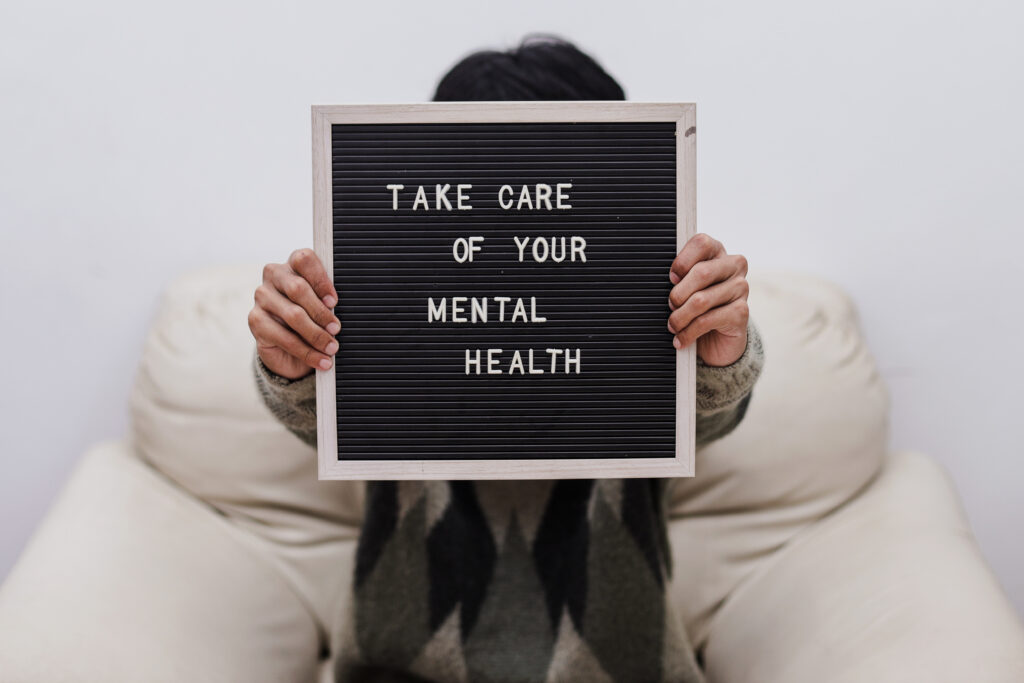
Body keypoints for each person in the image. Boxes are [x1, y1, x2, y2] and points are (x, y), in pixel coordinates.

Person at [248, 36, 764, 683]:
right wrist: (290, 360)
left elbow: (708, 413)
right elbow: (321, 417)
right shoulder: (387, 301)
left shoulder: (645, 309)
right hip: (398, 668)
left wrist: (723, 354)